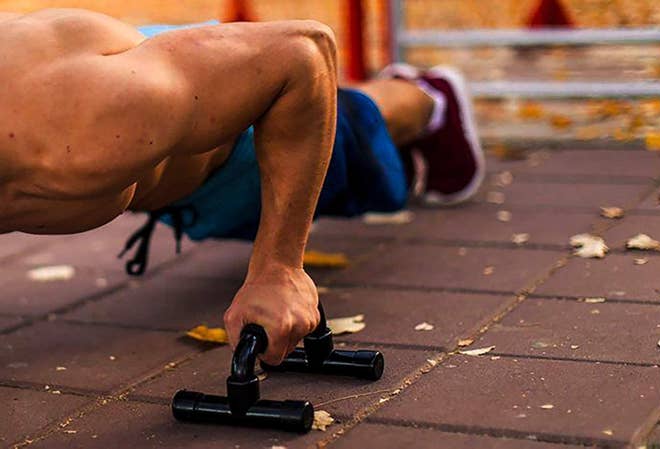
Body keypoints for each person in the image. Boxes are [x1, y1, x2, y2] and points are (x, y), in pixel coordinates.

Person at [0, 9, 484, 366]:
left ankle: (429, 99)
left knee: (359, 138)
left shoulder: (72, 119)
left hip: (245, 131)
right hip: (164, 159)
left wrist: (278, 268)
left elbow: (303, 52)